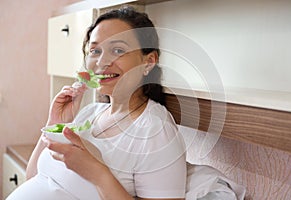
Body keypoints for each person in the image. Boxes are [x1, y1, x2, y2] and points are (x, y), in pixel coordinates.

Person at [6, 6, 186, 200]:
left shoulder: (156, 130)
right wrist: (55, 123)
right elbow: (35, 176)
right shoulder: (90, 113)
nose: (102, 61)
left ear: (148, 62)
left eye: (117, 50)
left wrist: (97, 173)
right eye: (95, 50)